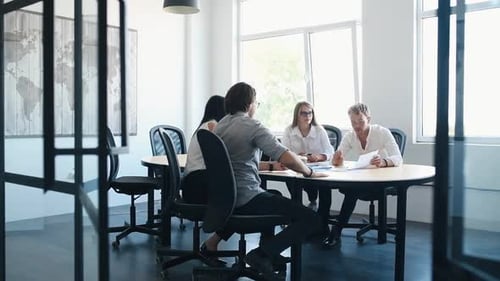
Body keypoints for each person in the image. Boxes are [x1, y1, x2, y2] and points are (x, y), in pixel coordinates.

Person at [213, 82, 327, 279]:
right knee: (312, 218)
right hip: (246, 198)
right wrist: (309, 172)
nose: (256, 106)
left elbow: (237, 162)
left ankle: (269, 254)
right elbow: (283, 154)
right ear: (249, 104)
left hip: (225, 198)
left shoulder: (220, 125)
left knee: (273, 196)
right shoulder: (251, 125)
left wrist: (272, 166)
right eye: (257, 102)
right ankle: (262, 254)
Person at [323, 103, 403, 248]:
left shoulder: (382, 132)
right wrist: (336, 159)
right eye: (353, 122)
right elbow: (337, 158)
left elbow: (398, 158)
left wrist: (384, 162)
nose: (357, 126)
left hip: (384, 180)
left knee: (352, 191)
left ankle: (336, 230)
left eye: (361, 121)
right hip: (364, 179)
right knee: (352, 189)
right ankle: (336, 230)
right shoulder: (350, 136)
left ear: (369, 119)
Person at [180, 95, 226, 261]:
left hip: (192, 184)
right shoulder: (213, 125)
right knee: (237, 200)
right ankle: (213, 242)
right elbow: (228, 154)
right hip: (198, 185)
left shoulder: (204, 125)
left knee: (236, 198)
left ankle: (213, 242)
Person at [281, 101, 334, 235]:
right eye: (303, 113)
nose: (307, 116)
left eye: (310, 112)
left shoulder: (319, 130)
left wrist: (319, 156)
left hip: (318, 169)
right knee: (291, 182)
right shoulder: (289, 131)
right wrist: (298, 157)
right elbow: (284, 152)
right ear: (297, 115)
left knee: (325, 188)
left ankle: (322, 224)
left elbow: (330, 152)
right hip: (297, 170)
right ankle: (299, 220)